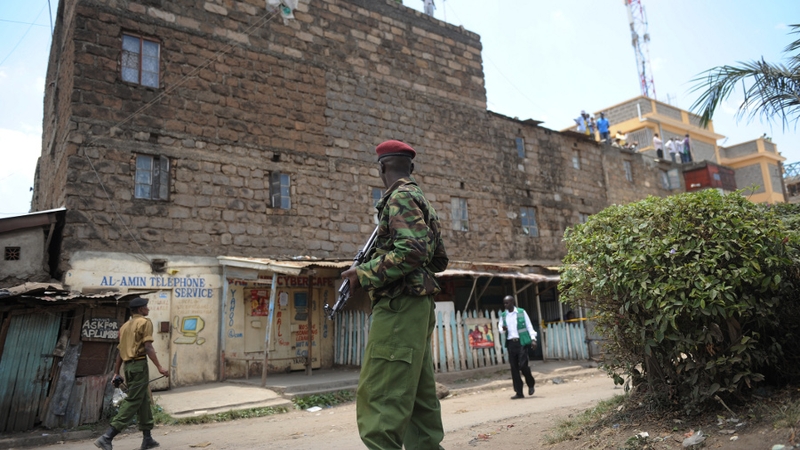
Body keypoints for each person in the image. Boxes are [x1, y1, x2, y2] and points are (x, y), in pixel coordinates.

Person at [341, 139, 448, 450]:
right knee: (418, 397)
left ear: (382, 167)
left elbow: (413, 252)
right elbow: (438, 259)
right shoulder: (420, 199)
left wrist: (363, 273)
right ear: (410, 167)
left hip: (400, 305)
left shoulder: (399, 199)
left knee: (381, 395)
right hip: (417, 306)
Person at [95, 297, 169, 450]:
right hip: (139, 365)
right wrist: (160, 367)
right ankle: (107, 436)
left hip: (128, 367)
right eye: (146, 307)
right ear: (141, 309)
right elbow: (148, 347)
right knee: (134, 400)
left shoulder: (124, 327)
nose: (148, 309)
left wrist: (116, 373)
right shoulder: (144, 322)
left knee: (143, 400)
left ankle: (147, 438)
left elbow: (120, 353)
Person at [498, 295, 537, 400]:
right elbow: (500, 329)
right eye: (504, 303)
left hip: (521, 343)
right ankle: (519, 392)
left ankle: (530, 383)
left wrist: (533, 339)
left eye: (507, 303)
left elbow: (529, 326)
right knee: (514, 368)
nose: (505, 305)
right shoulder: (503, 315)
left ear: (512, 302)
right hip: (511, 344)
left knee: (523, 366)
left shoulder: (521, 312)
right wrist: (503, 329)